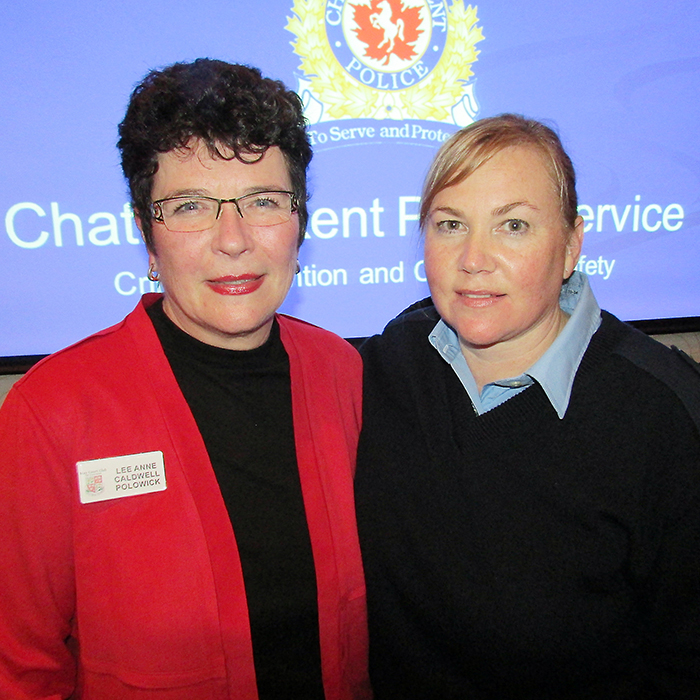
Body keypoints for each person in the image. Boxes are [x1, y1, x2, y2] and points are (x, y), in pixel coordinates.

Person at [0, 59, 370, 700]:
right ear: (146, 235)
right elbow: (21, 667)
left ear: (301, 224)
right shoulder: (51, 411)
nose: (233, 240)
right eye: (191, 207)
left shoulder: (345, 373)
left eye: (263, 202)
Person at [355, 114, 700, 699]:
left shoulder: (661, 414)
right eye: (450, 224)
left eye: (513, 225)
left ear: (571, 246)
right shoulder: (388, 368)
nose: (474, 258)